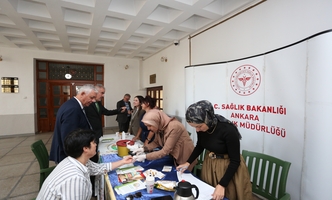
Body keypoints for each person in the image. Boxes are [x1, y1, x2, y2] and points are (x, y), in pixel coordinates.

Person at [176, 100, 252, 200]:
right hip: (211, 165)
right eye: (194, 127)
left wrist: (222, 185)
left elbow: (235, 160)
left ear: (208, 119)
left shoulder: (228, 130)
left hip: (228, 167)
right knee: (209, 194)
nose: (197, 130)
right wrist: (188, 162)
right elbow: (200, 145)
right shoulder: (203, 129)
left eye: (199, 126)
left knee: (228, 195)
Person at [37, 129, 133, 200]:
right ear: (85, 148)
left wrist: (123, 161)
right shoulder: (75, 178)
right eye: (93, 142)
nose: (96, 144)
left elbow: (99, 168)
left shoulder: (78, 160)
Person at [84, 84, 126, 196]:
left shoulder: (98, 103)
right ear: (95, 92)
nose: (102, 96)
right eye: (101, 93)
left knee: (96, 157)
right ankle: (92, 186)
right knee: (92, 159)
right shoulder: (87, 104)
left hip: (97, 133)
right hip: (91, 134)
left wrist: (118, 111)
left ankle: (96, 181)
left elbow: (106, 112)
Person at [132, 109, 197, 171]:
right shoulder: (160, 126)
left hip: (185, 157)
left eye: (150, 125)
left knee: (183, 178)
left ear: (156, 121)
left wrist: (145, 156)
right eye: (147, 126)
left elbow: (165, 151)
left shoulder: (174, 126)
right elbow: (156, 142)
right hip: (174, 156)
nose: (148, 128)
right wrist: (143, 149)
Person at [50, 84, 97, 164]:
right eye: (91, 97)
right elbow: (69, 139)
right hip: (69, 159)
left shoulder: (72, 104)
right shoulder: (73, 109)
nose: (94, 101)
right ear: (82, 94)